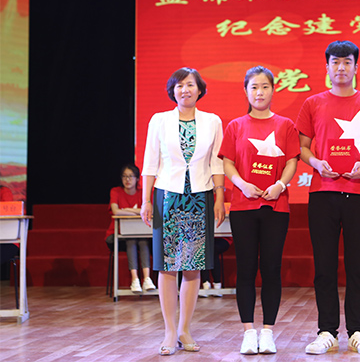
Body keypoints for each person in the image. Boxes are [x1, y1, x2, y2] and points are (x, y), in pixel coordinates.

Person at [296, 41, 360, 355]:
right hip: (322, 194)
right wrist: (315, 163)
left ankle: (357, 331)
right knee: (324, 267)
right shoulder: (312, 103)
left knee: (357, 267)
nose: (341, 68)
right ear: (327, 67)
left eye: (347, 62)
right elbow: (302, 147)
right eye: (335, 62)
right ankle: (327, 331)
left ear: (356, 67)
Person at [140, 67, 225, 356]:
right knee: (167, 266)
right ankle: (168, 331)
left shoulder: (212, 121)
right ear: (172, 91)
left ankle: (184, 329)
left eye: (190, 85)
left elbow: (216, 162)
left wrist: (219, 197)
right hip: (167, 195)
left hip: (200, 195)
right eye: (179, 86)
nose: (184, 90)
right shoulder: (159, 120)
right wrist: (146, 200)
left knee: (193, 265)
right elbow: (150, 162)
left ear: (200, 89)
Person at [219, 66, 299, 355]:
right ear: (246, 91)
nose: (260, 92)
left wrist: (280, 185)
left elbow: (292, 161)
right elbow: (228, 162)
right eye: (254, 87)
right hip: (243, 207)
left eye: (265, 87)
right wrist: (241, 184)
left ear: (273, 90)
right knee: (246, 268)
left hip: (276, 206)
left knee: (271, 268)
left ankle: (268, 332)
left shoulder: (286, 125)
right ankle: (248, 331)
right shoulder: (235, 126)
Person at [105, 164, 155, 293]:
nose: (127, 180)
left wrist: (127, 210)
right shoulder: (116, 191)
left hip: (141, 233)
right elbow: (116, 211)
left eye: (131, 176)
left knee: (142, 241)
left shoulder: (143, 193)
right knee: (131, 240)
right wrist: (138, 211)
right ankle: (135, 279)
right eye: (125, 176)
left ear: (137, 179)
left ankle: (147, 279)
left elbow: (150, 210)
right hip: (117, 234)